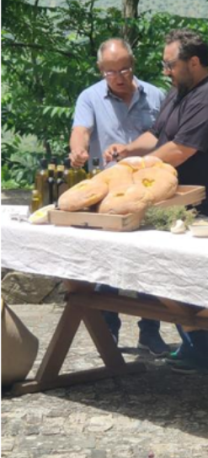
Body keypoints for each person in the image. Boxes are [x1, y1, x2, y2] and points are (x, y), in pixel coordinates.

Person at [104, 29, 208, 375]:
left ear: (193, 63)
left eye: (170, 64)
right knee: (182, 280)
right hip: (182, 206)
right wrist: (129, 150)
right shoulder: (178, 92)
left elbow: (180, 150)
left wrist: (135, 169)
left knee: (207, 284)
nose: (165, 70)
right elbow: (157, 135)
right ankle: (194, 346)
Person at [70, 38, 170, 356]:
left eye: (124, 68)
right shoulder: (89, 97)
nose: (119, 76)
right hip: (110, 197)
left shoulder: (157, 96)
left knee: (151, 264)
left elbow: (166, 136)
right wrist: (78, 150)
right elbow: (81, 130)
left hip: (151, 191)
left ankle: (150, 332)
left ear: (133, 64)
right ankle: (107, 332)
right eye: (111, 71)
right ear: (101, 70)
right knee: (106, 264)